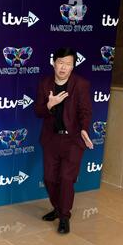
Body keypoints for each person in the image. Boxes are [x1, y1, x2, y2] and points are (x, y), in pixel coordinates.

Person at [35, 47, 93, 234]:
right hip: (51, 139)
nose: (63, 67)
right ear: (54, 63)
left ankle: (64, 217)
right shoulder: (45, 84)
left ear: (73, 66)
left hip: (73, 139)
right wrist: (49, 105)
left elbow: (85, 111)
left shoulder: (81, 84)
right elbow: (37, 111)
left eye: (68, 64)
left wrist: (84, 129)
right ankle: (58, 208)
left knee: (66, 179)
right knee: (50, 179)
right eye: (60, 63)